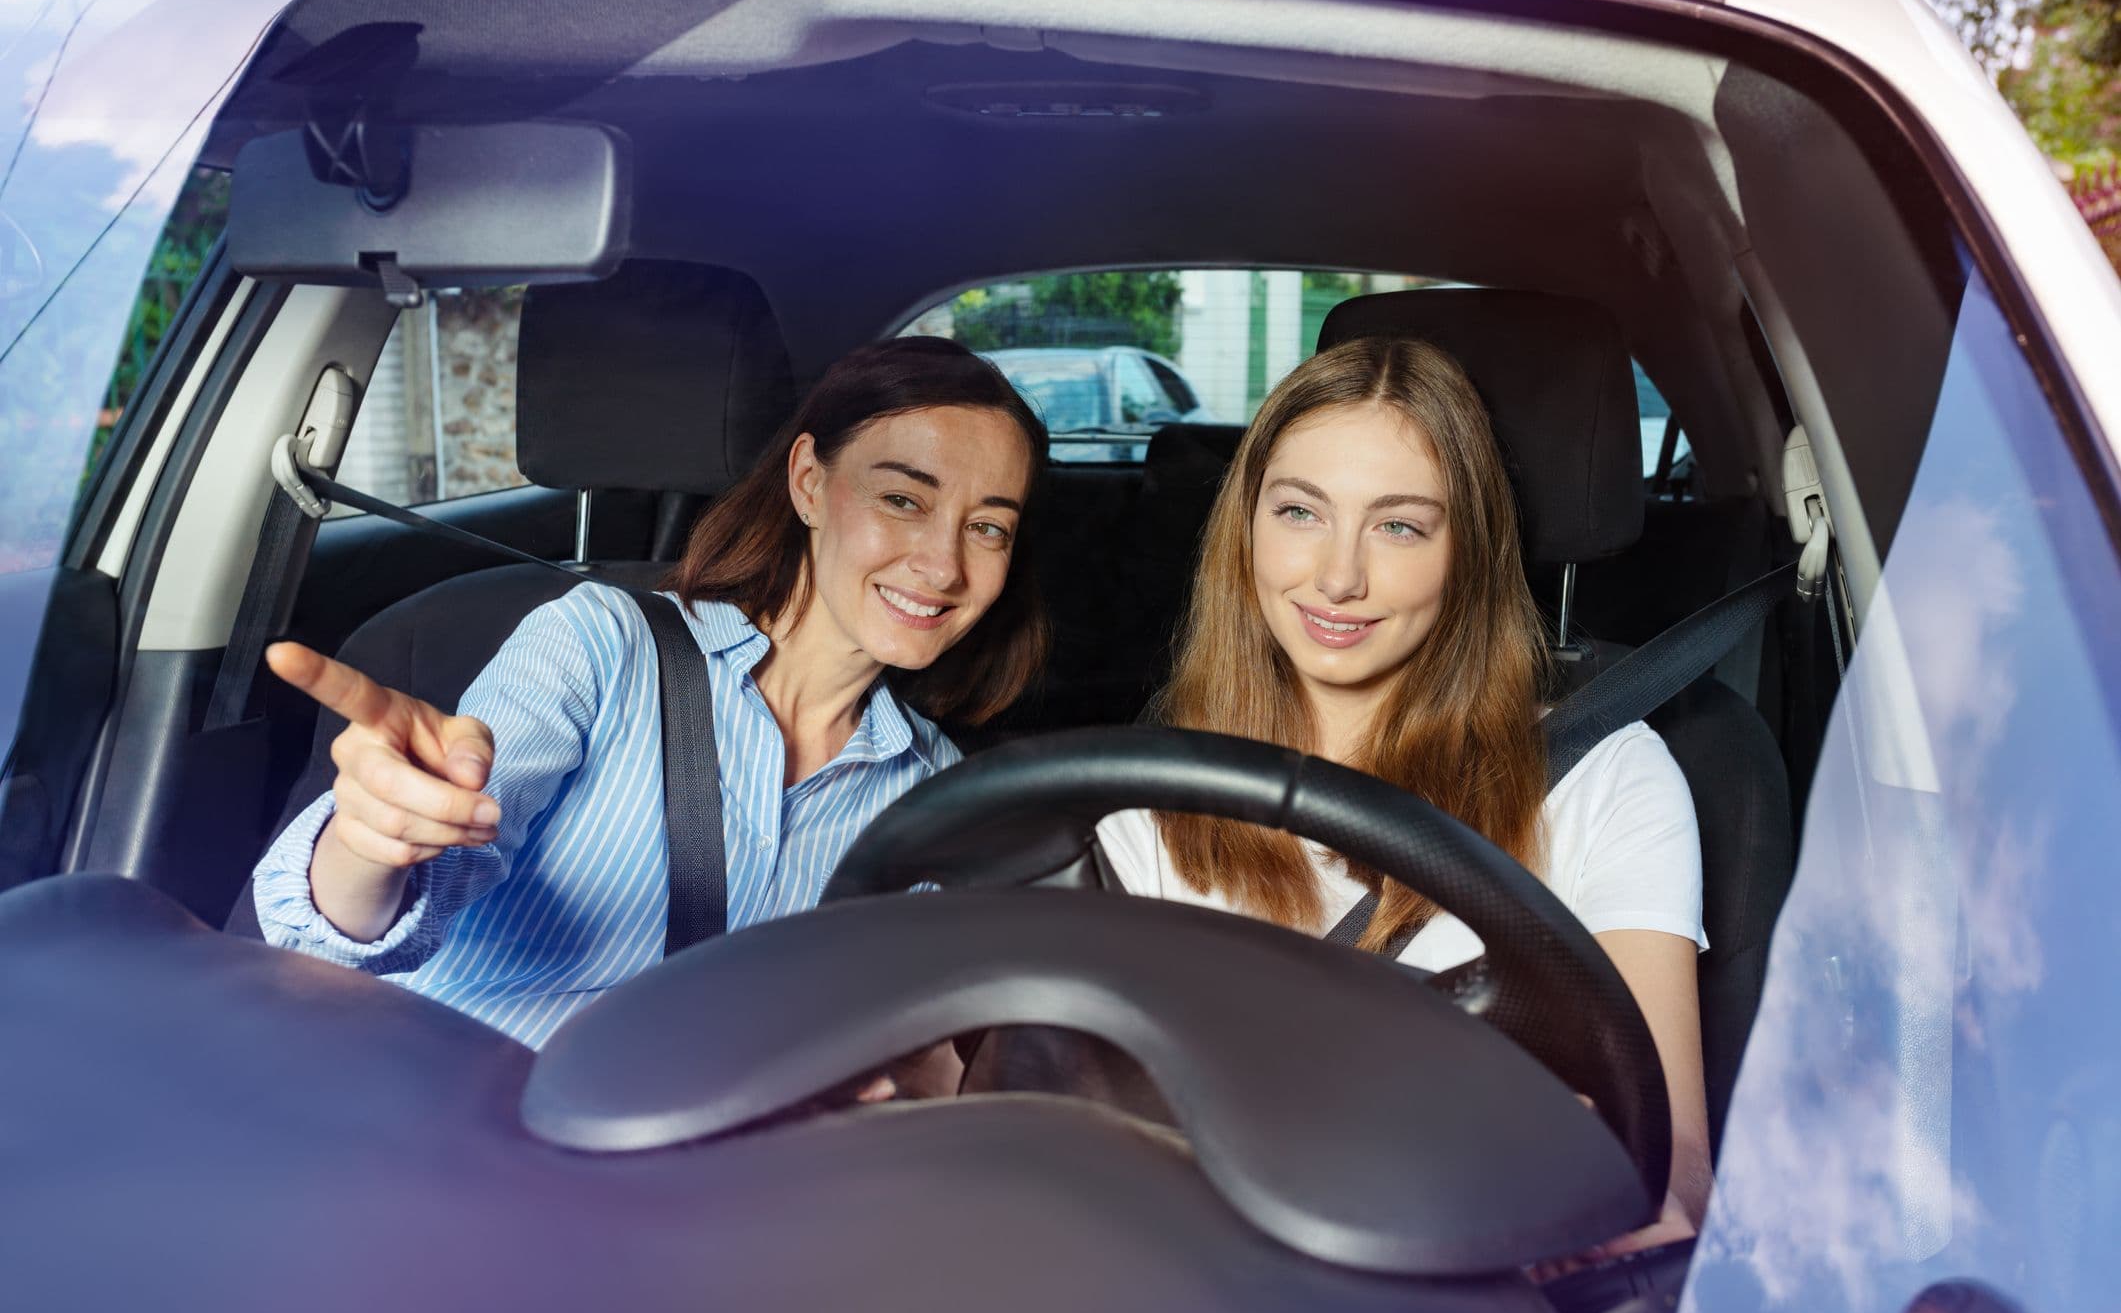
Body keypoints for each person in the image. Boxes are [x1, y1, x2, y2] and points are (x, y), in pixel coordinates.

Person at [253, 337, 1049, 1056]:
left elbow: (887, 1044)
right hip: (456, 1136)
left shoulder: (933, 785)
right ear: (809, 483)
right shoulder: (602, 644)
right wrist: (372, 843)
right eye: (902, 500)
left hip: (712, 1179)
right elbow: (351, 932)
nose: (943, 566)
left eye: (987, 528)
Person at [1094, 335, 1712, 1259]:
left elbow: (1672, 1173)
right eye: (1300, 512)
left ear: (1467, 550)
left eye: (1398, 526)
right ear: (1246, 525)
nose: (1338, 577)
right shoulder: (1149, 798)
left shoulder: (1602, 778)